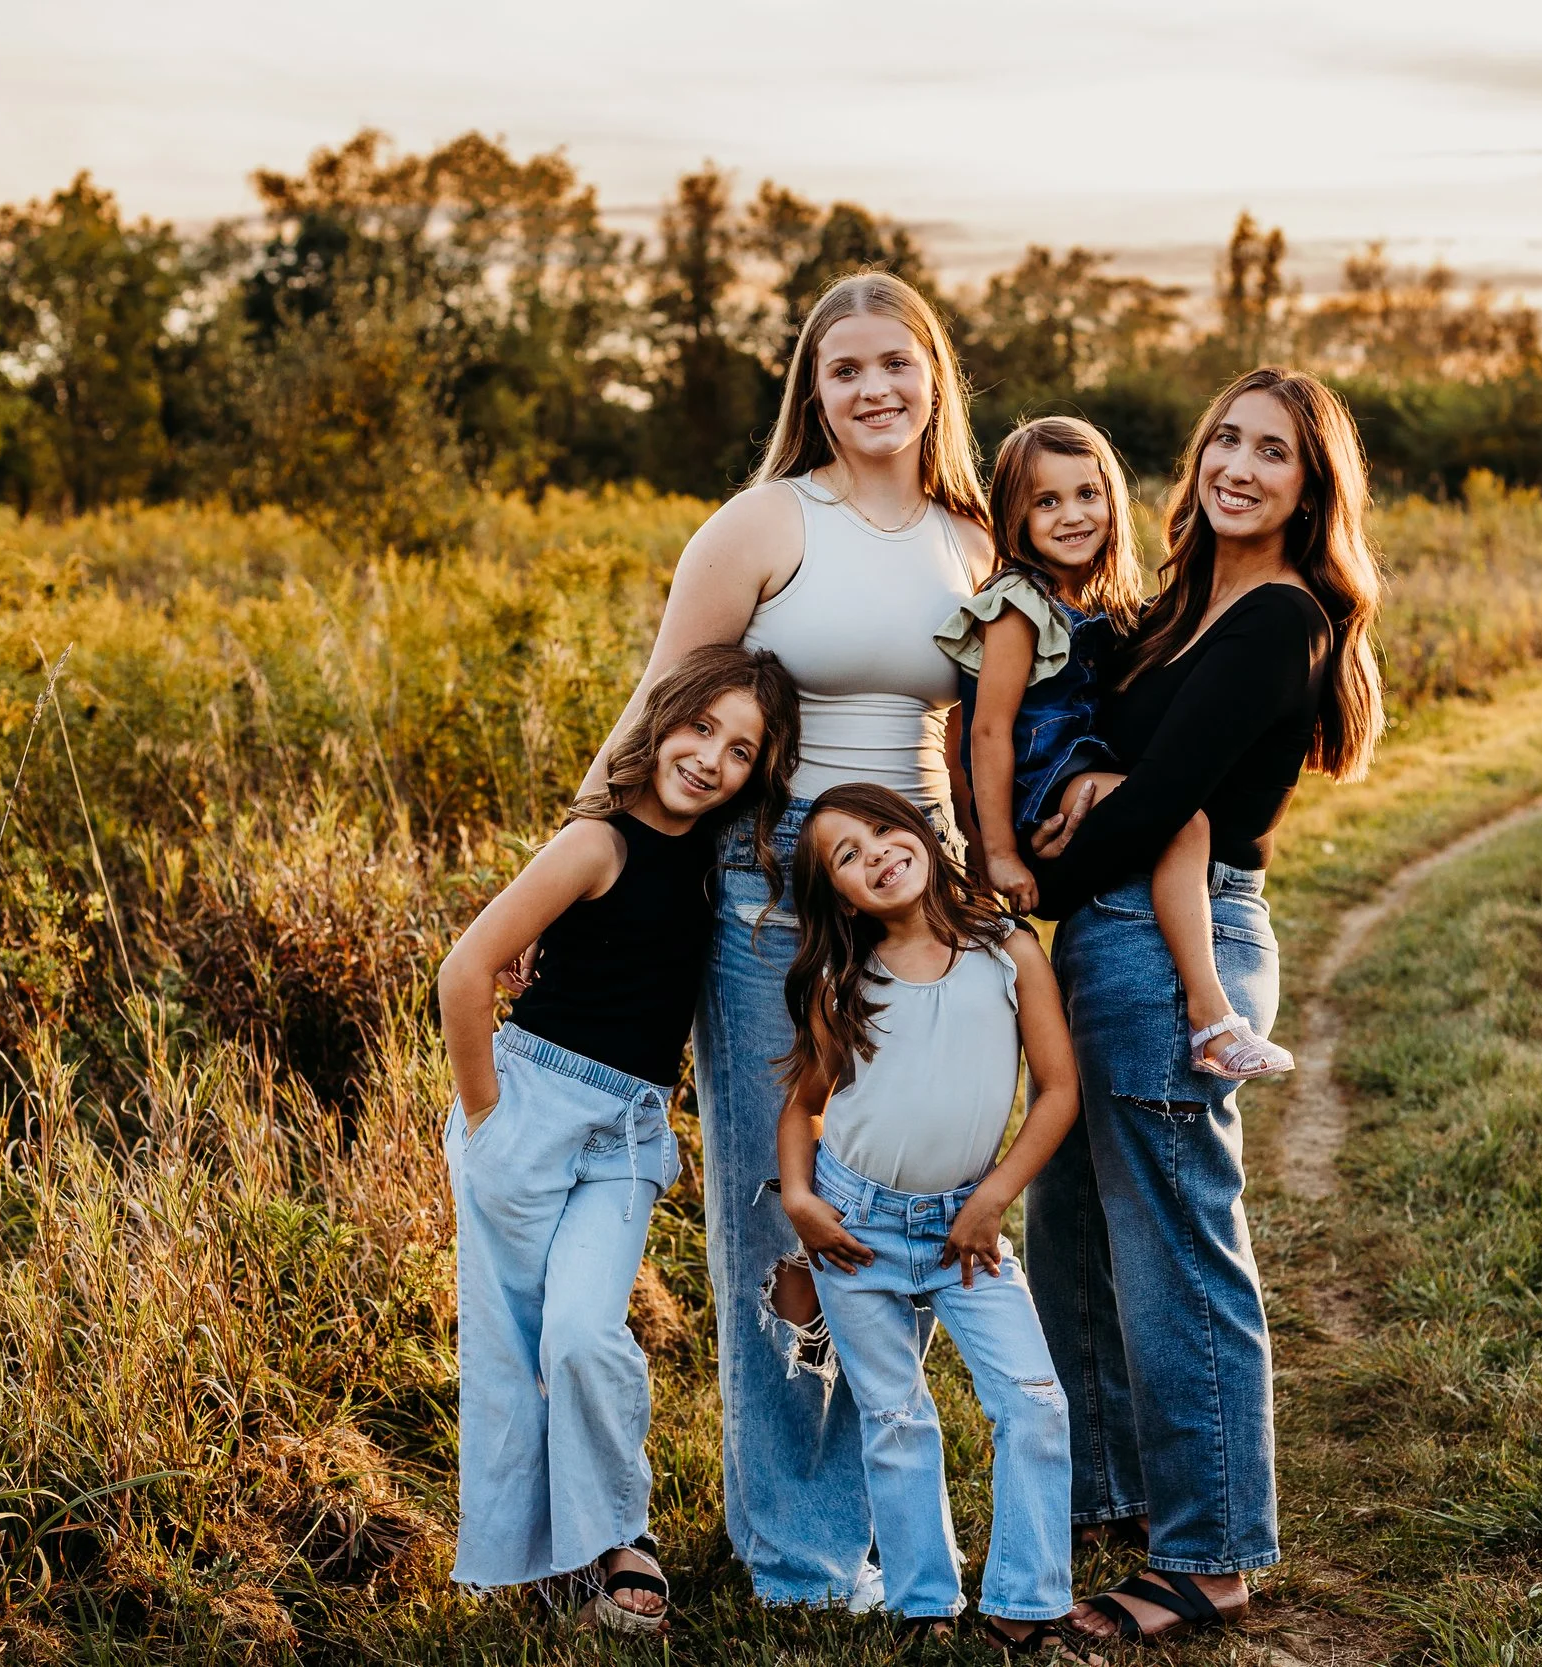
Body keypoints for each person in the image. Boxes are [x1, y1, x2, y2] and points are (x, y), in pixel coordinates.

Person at [569, 272, 992, 1605]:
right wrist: (575, 878)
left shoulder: (971, 539)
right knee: (784, 1212)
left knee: (902, 1200)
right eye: (844, 367)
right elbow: (658, 713)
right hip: (770, 895)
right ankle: (800, 1551)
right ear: (812, 389)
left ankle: (878, 1513)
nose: (874, 388)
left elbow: (986, 735)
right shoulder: (765, 522)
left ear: (936, 378)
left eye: (896, 363)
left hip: (922, 902)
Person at [1024, 369, 1385, 1643]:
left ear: (1309, 485)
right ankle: (1109, 1493)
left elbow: (1142, 808)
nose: (1237, 464)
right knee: (1072, 1236)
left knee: (1177, 1246)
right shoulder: (1179, 608)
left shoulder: (1276, 619)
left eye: (1271, 450)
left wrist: (1015, 876)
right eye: (1223, 437)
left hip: (1171, 936)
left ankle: (1212, 1552)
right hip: (1105, 936)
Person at [437, 645, 801, 1632]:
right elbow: (464, 974)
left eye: (740, 749)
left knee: (584, 1330)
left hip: (629, 1128)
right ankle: (545, 1555)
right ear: (659, 719)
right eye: (698, 727)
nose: (710, 757)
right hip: (527, 1110)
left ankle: (616, 1529)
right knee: (512, 1347)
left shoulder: (721, 859)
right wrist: (486, 1122)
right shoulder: (595, 843)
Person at [772, 783, 1083, 1652]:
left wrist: (992, 1198)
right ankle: (924, 1603)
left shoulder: (1006, 950)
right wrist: (800, 1198)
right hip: (856, 1227)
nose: (873, 852)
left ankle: (1025, 1602)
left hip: (966, 1229)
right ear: (839, 893)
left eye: (880, 828)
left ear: (918, 828)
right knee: (897, 1417)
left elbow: (1059, 1091)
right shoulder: (846, 976)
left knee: (1034, 1401)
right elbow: (803, 1108)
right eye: (845, 854)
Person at [936, 414, 1291, 1078]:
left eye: (1087, 494)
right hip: (1043, 779)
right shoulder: (1017, 604)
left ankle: (1209, 1013)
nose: (1073, 515)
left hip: (1078, 767)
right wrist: (998, 851)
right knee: (1186, 823)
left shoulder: (1105, 602)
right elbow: (984, 728)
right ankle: (1212, 1016)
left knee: (1177, 824)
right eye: (1047, 501)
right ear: (1014, 516)